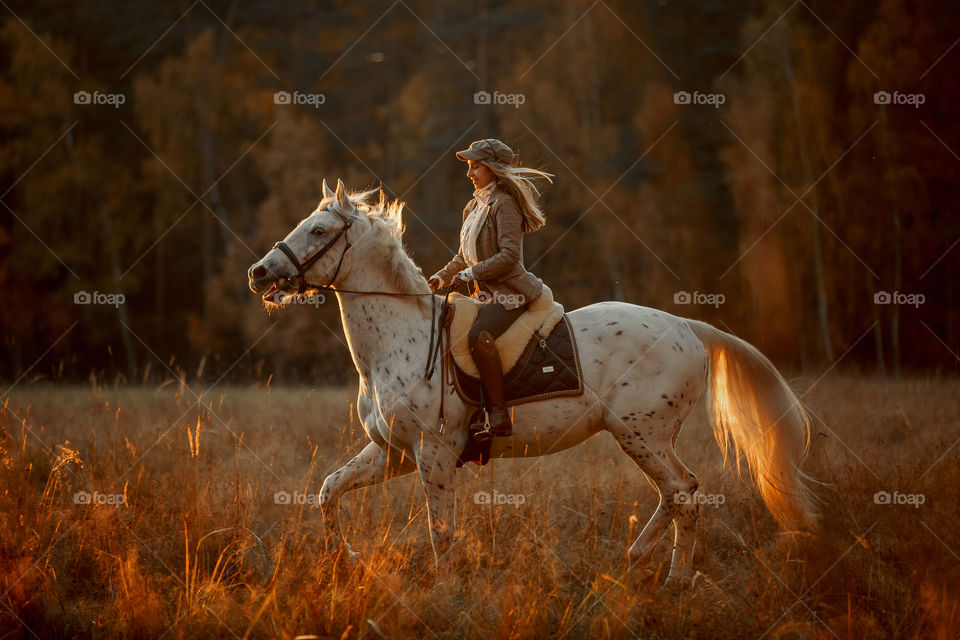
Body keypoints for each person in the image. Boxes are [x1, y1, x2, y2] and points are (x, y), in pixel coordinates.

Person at [428, 138, 554, 437]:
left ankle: (498, 415)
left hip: (513, 294)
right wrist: (442, 277)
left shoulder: (504, 203)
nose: (469, 173)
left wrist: (471, 273)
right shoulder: (473, 205)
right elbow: (463, 254)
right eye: (470, 167)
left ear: (493, 170)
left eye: (475, 167)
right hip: (483, 295)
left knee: (480, 337)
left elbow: (509, 256)